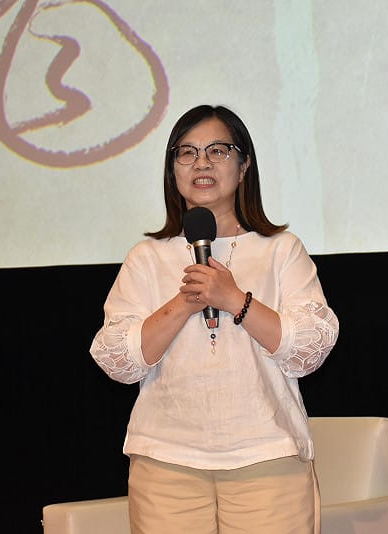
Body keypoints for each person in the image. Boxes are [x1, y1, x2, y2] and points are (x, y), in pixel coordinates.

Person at [89, 104, 339, 534]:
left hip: (265, 460)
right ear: (173, 172)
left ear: (243, 166)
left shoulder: (281, 250)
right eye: (185, 153)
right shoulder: (147, 259)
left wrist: (234, 299)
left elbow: (309, 348)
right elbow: (118, 359)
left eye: (217, 151)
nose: (200, 163)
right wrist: (186, 301)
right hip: (166, 464)